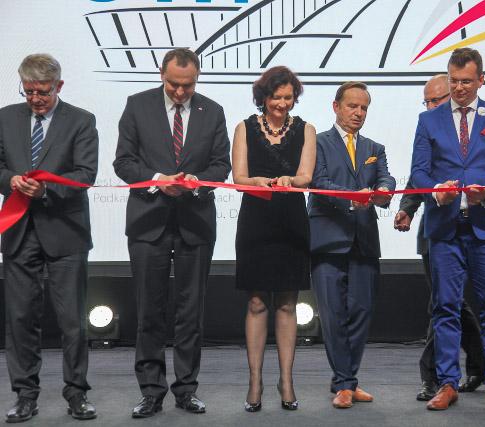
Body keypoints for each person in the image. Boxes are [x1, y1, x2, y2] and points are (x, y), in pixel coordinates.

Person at [113, 48, 231, 418]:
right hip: (148, 222)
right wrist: (157, 179)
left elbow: (221, 165)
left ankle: (186, 390)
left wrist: (195, 182)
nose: (180, 92)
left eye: (188, 86)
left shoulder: (213, 111)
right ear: (161, 75)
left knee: (190, 312)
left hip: (195, 222)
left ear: (197, 79)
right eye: (174, 85)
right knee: (149, 310)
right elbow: (123, 161)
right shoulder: (137, 105)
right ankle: (151, 392)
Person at [410, 47, 485, 412]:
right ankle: (447, 383)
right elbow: (419, 172)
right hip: (445, 227)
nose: (459, 88)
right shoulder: (429, 120)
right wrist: (435, 192)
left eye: (466, 82)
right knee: (445, 308)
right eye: (454, 81)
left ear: (481, 80)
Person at [0, 53, 98, 422]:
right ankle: (25, 396)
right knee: (20, 319)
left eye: (42, 92)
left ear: (59, 86)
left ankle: (77, 394)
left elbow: (85, 174)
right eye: (28, 92)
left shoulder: (81, 120)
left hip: (66, 233)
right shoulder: (5, 118)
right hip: (19, 232)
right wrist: (10, 180)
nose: (35, 99)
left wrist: (46, 191)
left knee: (73, 321)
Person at [394, 74, 485, 402]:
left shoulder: (475, 128)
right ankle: (443, 374)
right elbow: (419, 174)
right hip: (437, 231)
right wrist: (407, 208)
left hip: (476, 229)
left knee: (450, 303)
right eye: (427, 101)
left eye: (437, 100)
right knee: (447, 302)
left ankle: (467, 367)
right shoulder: (428, 127)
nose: (431, 106)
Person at [232, 66, 316, 412]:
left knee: (286, 303)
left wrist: (290, 180)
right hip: (256, 220)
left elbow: (306, 176)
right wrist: (257, 181)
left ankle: (286, 380)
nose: (282, 104)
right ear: (263, 97)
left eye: (288, 97)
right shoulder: (244, 127)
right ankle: (255, 381)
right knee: (256, 303)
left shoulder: (306, 129)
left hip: (291, 220)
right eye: (276, 97)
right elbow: (238, 178)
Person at [308, 81, 396, 409]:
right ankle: (346, 383)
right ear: (336, 107)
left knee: (361, 312)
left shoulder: (375, 147)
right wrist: (350, 198)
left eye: (364, 108)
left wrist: (384, 190)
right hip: (327, 241)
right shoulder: (316, 142)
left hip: (364, 241)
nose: (358, 113)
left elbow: (386, 178)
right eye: (352, 106)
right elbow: (319, 182)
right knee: (333, 316)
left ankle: (345, 380)